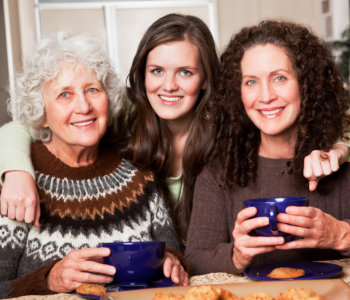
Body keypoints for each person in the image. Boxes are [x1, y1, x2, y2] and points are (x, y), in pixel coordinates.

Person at [0, 14, 349, 244]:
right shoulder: (122, 117)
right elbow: (25, 125)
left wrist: (339, 146)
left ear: (204, 80)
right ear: (142, 74)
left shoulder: (229, 124)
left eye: (185, 72)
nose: (169, 86)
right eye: (156, 71)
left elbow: (301, 120)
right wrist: (15, 170)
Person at [0, 32, 188, 298]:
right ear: (41, 114)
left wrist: (171, 263)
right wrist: (48, 279)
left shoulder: (139, 178)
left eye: (92, 90)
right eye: (65, 94)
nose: (84, 106)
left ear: (108, 101)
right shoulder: (16, 185)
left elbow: (172, 255)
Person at [185, 20, 350, 275]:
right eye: (251, 82)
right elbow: (195, 260)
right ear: (237, 92)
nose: (265, 96)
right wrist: (237, 256)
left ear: (307, 84)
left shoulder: (340, 165)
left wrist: (340, 235)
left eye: (279, 78)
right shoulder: (218, 173)